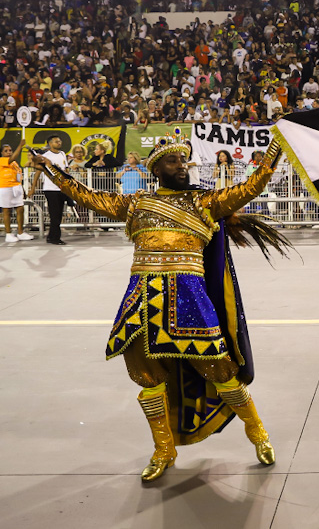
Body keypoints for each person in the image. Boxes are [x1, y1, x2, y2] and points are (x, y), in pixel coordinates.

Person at [30, 131, 290, 482]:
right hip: (140, 304)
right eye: (173, 161)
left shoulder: (205, 202)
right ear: (157, 168)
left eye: (183, 161)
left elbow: (251, 187)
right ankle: (163, 449)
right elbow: (87, 196)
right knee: (147, 379)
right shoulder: (137, 202)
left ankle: (257, 433)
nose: (181, 167)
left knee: (222, 374)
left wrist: (275, 148)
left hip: (192, 304)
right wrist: (51, 170)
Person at [28, 134, 70, 245]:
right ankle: (55, 238)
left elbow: (66, 170)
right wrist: (33, 188)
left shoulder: (62, 154)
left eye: (60, 141)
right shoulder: (46, 156)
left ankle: (51, 236)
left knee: (59, 214)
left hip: (61, 187)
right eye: (56, 141)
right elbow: (38, 172)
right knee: (55, 214)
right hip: (51, 188)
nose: (59, 143)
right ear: (50, 144)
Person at [0, 139, 34, 242]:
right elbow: (13, 157)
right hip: (5, 188)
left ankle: (20, 232)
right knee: (7, 211)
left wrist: (22, 189)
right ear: (1, 153)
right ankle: (9, 234)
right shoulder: (2, 160)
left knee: (20, 209)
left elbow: (18, 176)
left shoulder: (14, 163)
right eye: (6, 150)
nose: (9, 152)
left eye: (10, 150)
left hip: (16, 187)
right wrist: (20, 145)